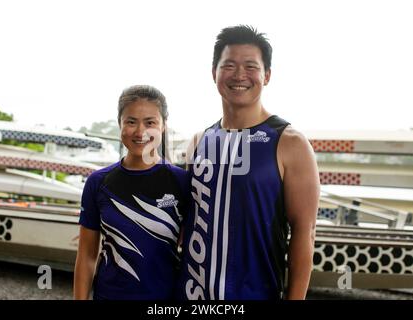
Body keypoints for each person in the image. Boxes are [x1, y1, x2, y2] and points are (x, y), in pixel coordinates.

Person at [176, 25, 320, 300]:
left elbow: (305, 233)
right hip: (191, 295)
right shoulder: (199, 141)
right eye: (228, 65)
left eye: (250, 66)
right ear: (214, 73)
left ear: (266, 75)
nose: (239, 74)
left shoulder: (289, 143)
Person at [74, 85, 189, 300]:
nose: (140, 132)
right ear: (120, 124)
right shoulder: (98, 182)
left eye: (150, 122)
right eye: (131, 121)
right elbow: (87, 255)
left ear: (163, 126)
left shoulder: (181, 182)